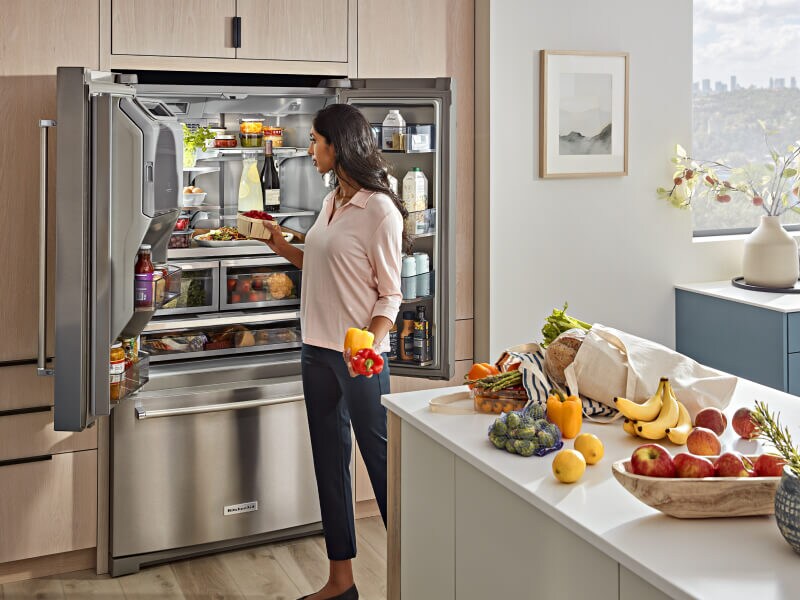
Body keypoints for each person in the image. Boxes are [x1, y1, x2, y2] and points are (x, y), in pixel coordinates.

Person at [262, 103, 409, 600]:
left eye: (315, 141)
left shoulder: (380, 211)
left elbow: (390, 293)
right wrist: (281, 246)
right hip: (316, 352)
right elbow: (322, 264)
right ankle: (341, 583)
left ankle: (416, 575)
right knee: (330, 463)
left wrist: (370, 342)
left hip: (359, 358)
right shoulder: (331, 202)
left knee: (382, 464)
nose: (309, 150)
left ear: (337, 146)